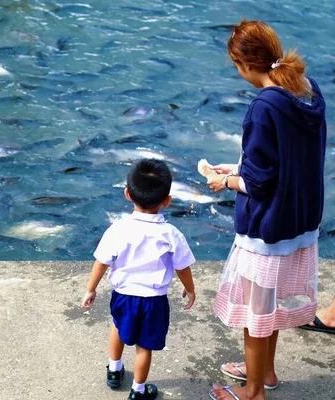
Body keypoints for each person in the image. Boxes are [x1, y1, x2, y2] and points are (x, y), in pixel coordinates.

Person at [205, 20, 327, 400]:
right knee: (268, 305)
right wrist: (240, 167)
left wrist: (225, 181)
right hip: (301, 219)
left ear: (243, 64)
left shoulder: (263, 107)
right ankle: (266, 371)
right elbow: (286, 159)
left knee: (255, 315)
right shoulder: (307, 91)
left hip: (268, 227)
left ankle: (254, 391)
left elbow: (258, 185)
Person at [81, 158, 196, 400]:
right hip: (153, 301)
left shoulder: (117, 229)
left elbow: (101, 261)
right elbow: (182, 266)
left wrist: (90, 289)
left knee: (118, 326)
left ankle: (114, 370)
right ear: (167, 201)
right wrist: (190, 289)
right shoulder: (171, 234)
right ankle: (138, 391)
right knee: (144, 348)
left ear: (127, 194)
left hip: (123, 296)